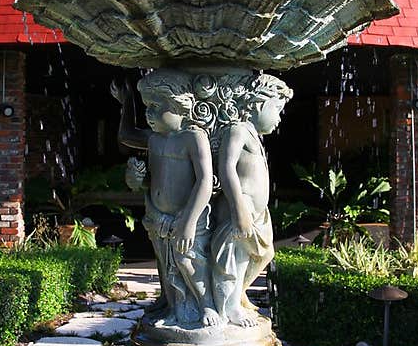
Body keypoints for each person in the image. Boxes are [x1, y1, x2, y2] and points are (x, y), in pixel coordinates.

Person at [111, 76, 216, 328]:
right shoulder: (154, 139)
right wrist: (136, 179)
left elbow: (205, 182)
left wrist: (188, 223)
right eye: (148, 107)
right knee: (165, 264)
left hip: (187, 216)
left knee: (188, 261)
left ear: (181, 108)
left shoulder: (193, 137)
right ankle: (173, 308)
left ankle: (208, 304)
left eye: (158, 107)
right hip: (157, 215)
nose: (150, 114)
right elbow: (126, 135)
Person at [211, 74, 292, 326]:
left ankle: (238, 295)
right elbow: (226, 169)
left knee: (263, 254)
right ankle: (229, 307)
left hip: (257, 214)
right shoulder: (238, 130)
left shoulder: (253, 134)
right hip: (240, 209)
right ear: (258, 105)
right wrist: (239, 209)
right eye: (276, 109)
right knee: (234, 259)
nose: (278, 118)